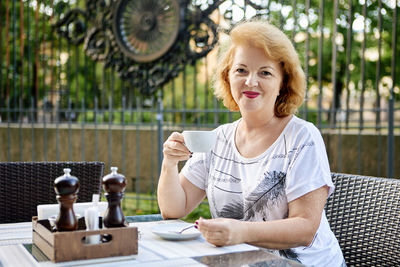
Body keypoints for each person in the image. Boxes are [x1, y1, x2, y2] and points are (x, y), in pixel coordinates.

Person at [157, 19, 346, 266]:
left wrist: (240, 232)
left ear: (283, 83)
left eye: (265, 72)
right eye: (241, 70)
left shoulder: (302, 137)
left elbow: (305, 229)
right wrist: (169, 163)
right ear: (227, 78)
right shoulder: (219, 138)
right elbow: (173, 210)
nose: (250, 81)